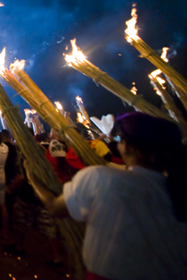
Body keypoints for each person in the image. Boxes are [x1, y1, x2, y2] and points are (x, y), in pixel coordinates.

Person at [27, 112, 187, 280]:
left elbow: (54, 207)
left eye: (121, 140)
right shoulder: (178, 189)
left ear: (128, 147)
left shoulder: (100, 178)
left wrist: (32, 177)